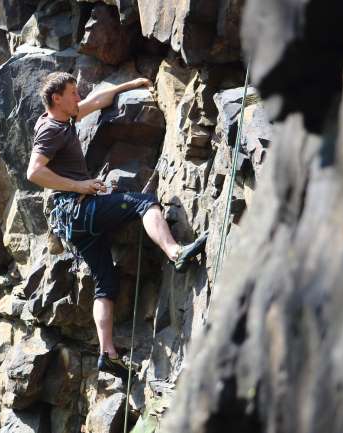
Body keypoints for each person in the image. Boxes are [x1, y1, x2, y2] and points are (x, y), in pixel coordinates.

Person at [26, 72, 207, 381]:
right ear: (57, 98)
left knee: (105, 281)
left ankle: (107, 353)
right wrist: (79, 185)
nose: (78, 98)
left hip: (73, 222)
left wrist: (130, 86)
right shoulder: (53, 129)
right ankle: (175, 252)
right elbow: (34, 172)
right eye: (72, 94)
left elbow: (96, 101)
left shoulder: (63, 119)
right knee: (143, 202)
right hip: (78, 209)